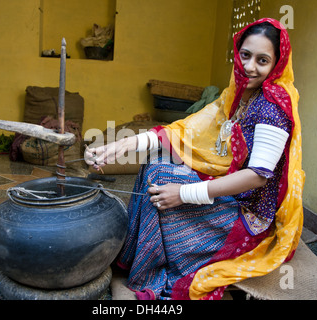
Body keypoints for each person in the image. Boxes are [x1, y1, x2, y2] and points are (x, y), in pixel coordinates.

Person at [85, 18, 304, 300]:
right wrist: (125, 143)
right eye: (245, 55)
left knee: (161, 179)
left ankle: (145, 280)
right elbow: (186, 132)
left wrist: (186, 193)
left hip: (248, 218)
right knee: (157, 159)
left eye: (262, 60)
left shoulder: (273, 107)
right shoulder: (238, 94)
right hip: (230, 190)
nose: (249, 67)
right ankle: (133, 259)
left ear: (277, 63)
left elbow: (257, 176)